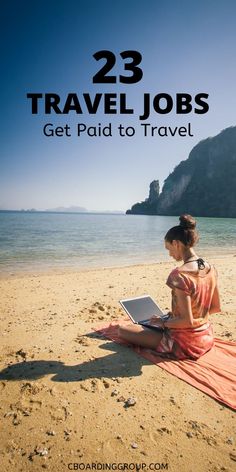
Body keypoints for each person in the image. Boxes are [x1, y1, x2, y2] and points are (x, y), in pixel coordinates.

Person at [118, 214, 221, 360]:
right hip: (206, 337)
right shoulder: (211, 269)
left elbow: (187, 321)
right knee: (151, 324)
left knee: (123, 330)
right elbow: (215, 307)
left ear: (176, 243)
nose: (170, 254)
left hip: (184, 343)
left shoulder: (179, 275)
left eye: (169, 249)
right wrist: (179, 317)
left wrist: (164, 323)